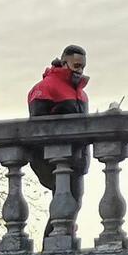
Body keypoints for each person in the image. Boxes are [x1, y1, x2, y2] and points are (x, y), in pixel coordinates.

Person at [27, 46, 92, 207]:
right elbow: (37, 129)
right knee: (66, 206)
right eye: (76, 66)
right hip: (52, 159)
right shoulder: (44, 88)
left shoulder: (82, 94)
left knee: (73, 205)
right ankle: (57, 233)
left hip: (78, 158)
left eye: (83, 67)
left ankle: (63, 233)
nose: (80, 71)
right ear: (64, 64)